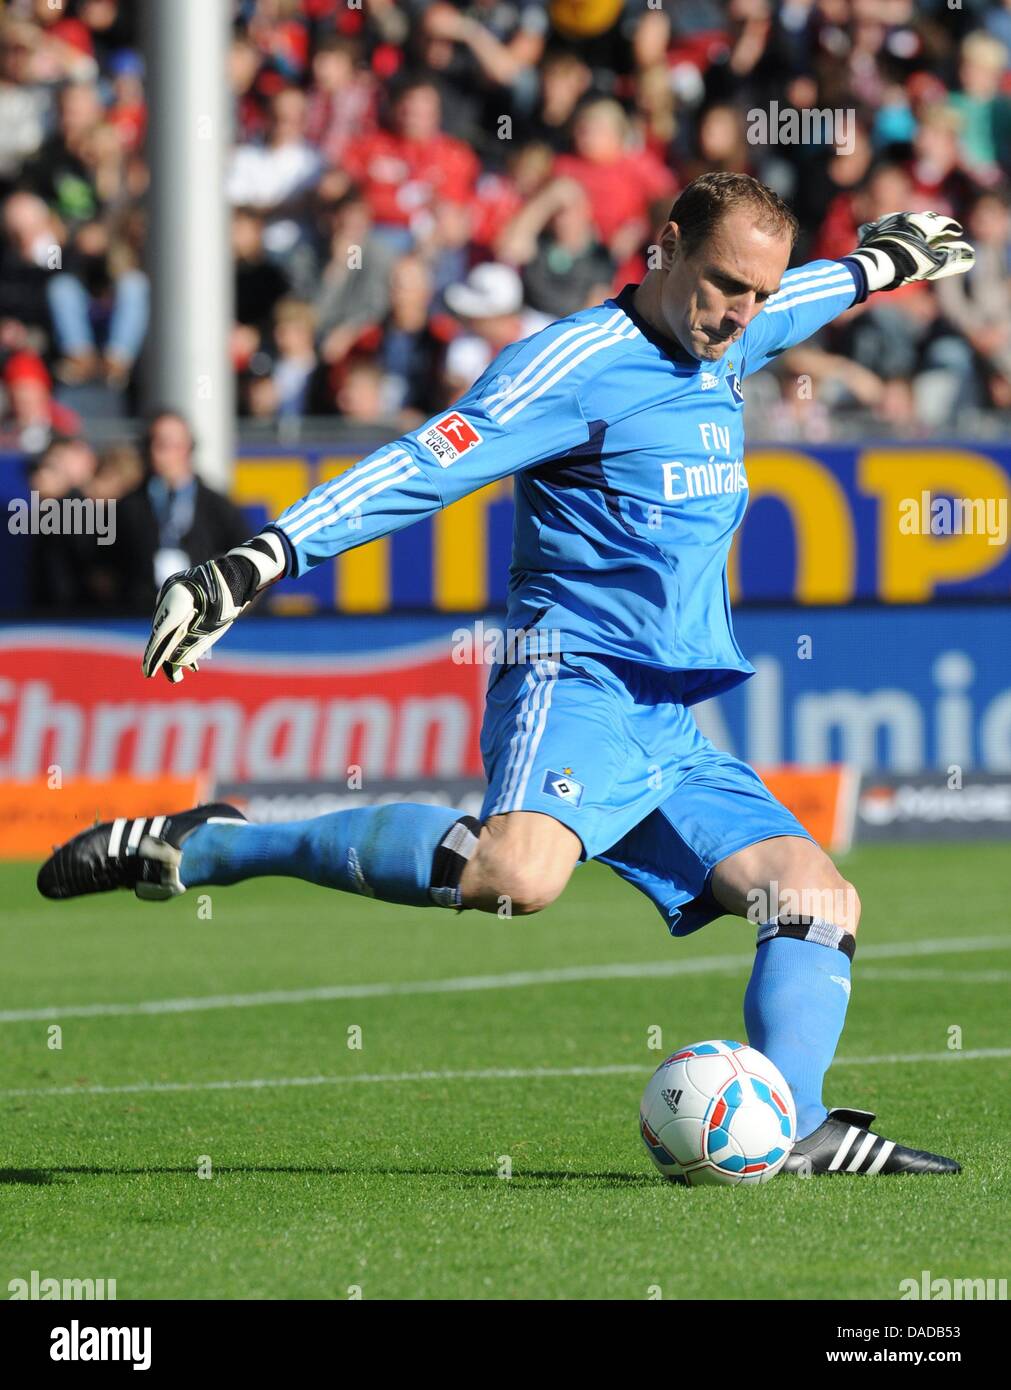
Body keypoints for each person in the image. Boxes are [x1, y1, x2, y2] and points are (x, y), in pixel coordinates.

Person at [39, 174, 975, 1177]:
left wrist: (888, 261)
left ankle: (796, 1121)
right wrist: (252, 562)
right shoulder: (574, 366)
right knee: (516, 876)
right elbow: (416, 465)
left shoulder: (736, 325)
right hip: (571, 678)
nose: (743, 310)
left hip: (663, 717)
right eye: (725, 284)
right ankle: (214, 846)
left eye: (758, 292)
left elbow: (807, 295)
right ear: (666, 248)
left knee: (816, 896)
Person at [110, 409, 250, 611]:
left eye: (168, 445)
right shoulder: (128, 506)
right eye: (153, 443)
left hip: (202, 614)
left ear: (187, 448)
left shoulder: (216, 506)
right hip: (140, 615)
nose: (157, 452)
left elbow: (245, 559)